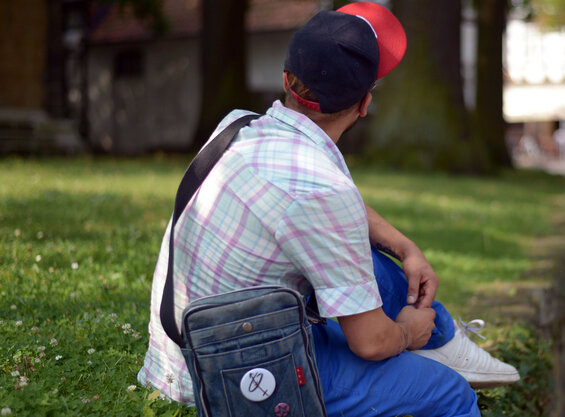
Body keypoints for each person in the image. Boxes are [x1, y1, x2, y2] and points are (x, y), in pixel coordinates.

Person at [137, 3, 519, 416]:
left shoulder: (239, 126)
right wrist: (407, 333)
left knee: (373, 263)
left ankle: (443, 339)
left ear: (286, 79)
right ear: (364, 104)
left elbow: (331, 211)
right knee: (451, 394)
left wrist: (405, 247)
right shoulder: (322, 188)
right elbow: (370, 343)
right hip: (233, 375)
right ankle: (435, 346)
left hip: (194, 341)